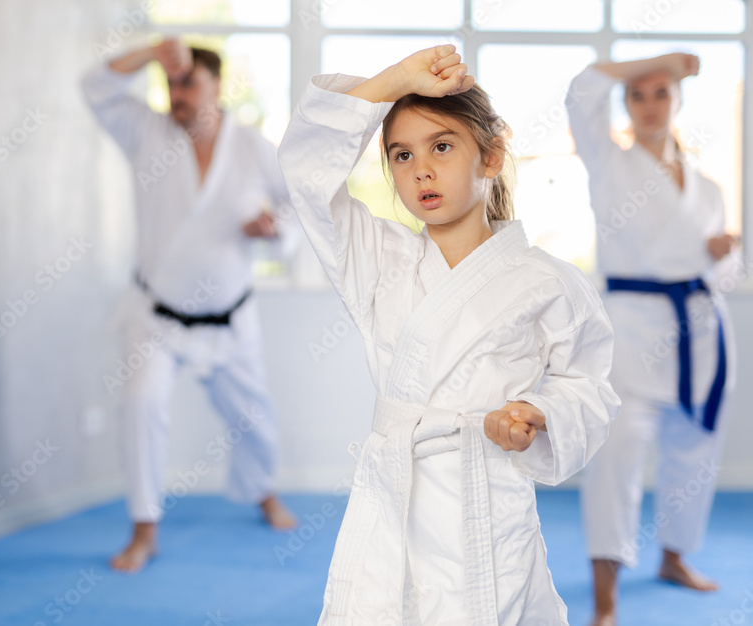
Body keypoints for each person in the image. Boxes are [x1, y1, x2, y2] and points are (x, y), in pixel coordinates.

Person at [277, 44, 620, 624]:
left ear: (491, 155)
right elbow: (307, 174)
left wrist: (536, 412)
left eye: (441, 146)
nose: (421, 170)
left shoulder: (548, 281)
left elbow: (589, 386)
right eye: (402, 155)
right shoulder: (378, 259)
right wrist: (393, 80)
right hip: (394, 497)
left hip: (488, 502)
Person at [81, 39, 299, 573]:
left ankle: (263, 492)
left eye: (188, 83)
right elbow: (95, 85)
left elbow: (298, 204)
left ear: (216, 86)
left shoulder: (253, 147)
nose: (176, 94)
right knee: (141, 403)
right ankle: (144, 529)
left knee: (253, 419)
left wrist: (274, 229)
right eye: (170, 83)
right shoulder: (146, 131)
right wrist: (154, 52)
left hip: (229, 318)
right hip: (155, 316)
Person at [567, 54, 739, 626]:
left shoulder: (707, 187)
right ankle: (605, 594)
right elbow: (582, 91)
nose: (649, 105)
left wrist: (722, 256)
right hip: (632, 331)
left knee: (694, 449)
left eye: (661, 92)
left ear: (678, 101)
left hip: (699, 330)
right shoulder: (607, 162)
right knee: (617, 455)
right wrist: (664, 62)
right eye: (637, 95)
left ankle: (674, 557)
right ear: (625, 105)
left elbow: (719, 270)